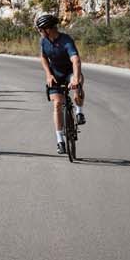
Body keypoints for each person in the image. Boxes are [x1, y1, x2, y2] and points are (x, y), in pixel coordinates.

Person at [36, 12, 85, 154]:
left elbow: (75, 60)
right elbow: (43, 58)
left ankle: (79, 112)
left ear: (48, 28)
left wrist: (75, 78)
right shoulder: (44, 41)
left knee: (78, 84)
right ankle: (60, 141)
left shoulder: (66, 40)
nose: (40, 32)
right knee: (57, 104)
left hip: (70, 72)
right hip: (55, 75)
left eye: (41, 29)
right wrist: (48, 75)